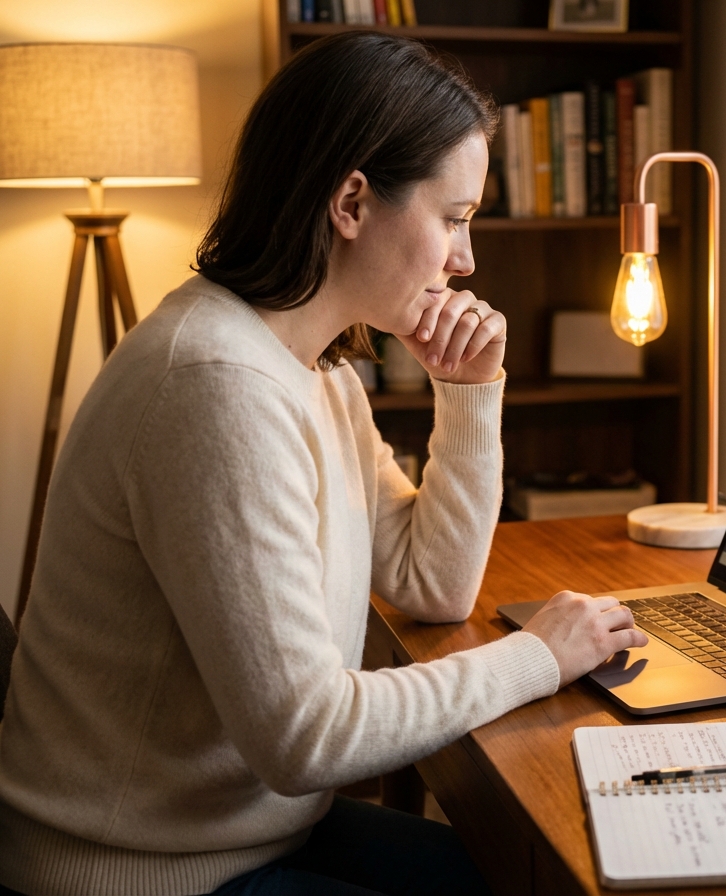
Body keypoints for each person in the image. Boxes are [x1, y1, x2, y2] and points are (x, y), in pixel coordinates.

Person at [0, 32, 646, 896]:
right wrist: (538, 656)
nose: (468, 259)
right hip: (140, 873)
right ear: (351, 201)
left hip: (241, 835)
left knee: (547, 876)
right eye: (453, 218)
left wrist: (467, 391)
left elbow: (432, 583)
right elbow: (307, 736)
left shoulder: (317, 373)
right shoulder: (215, 385)